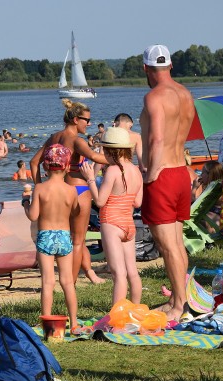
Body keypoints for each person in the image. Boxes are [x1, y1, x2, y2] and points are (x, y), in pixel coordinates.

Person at [139, 44, 195, 322]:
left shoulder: (154, 97)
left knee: (167, 244)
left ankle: (179, 306)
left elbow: (156, 139)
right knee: (176, 241)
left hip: (163, 174)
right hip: (181, 172)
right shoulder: (185, 94)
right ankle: (179, 296)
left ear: (146, 69)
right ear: (170, 66)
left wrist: (150, 175)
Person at [29, 100, 108, 286]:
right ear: (75, 119)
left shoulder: (54, 137)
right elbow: (96, 157)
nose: (88, 124)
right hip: (79, 190)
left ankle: (78, 276)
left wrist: (40, 186)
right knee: (79, 241)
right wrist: (122, 159)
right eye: (86, 120)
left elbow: (33, 163)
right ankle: (70, 284)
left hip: (60, 191)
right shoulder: (76, 140)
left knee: (67, 237)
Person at [80, 128, 143, 305]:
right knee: (132, 271)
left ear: (110, 151)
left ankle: (117, 317)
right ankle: (135, 310)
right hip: (128, 224)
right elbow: (137, 202)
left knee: (118, 273)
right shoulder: (136, 170)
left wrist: (90, 178)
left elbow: (100, 201)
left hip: (112, 222)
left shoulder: (113, 171)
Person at [23, 145, 79, 333]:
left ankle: (46, 323)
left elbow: (33, 216)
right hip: (63, 236)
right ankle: (75, 323)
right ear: (67, 167)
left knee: (48, 281)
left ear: (45, 167)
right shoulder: (71, 191)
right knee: (67, 281)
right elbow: (76, 212)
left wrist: (25, 202)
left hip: (46, 236)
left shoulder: (39, 188)